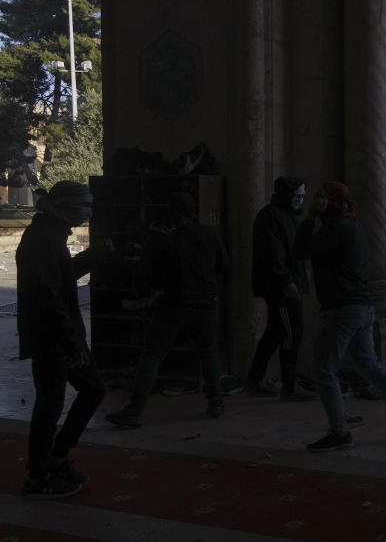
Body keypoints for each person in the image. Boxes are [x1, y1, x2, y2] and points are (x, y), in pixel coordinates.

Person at [294, 181, 386, 451]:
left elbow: (301, 251)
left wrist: (309, 218)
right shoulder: (351, 225)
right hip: (361, 308)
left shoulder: (335, 228)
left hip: (342, 309)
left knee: (323, 369)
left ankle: (340, 431)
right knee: (369, 364)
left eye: (319, 199)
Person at [17, 182, 110, 498]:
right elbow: (50, 297)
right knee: (53, 403)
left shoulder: (49, 236)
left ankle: (53, 459)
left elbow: (60, 276)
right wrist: (72, 346)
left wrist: (92, 257)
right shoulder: (42, 241)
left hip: (59, 336)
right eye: (84, 206)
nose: (88, 212)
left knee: (76, 394)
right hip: (53, 339)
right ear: (66, 207)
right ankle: (41, 472)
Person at [106, 192, 230, 427]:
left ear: (172, 214)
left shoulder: (163, 240)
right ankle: (215, 402)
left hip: (173, 306)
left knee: (152, 356)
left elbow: (144, 278)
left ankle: (136, 410)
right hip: (206, 304)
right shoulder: (210, 234)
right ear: (193, 212)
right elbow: (224, 266)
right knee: (209, 354)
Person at [245, 176, 314, 401]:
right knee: (291, 331)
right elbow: (274, 255)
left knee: (276, 331)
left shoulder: (287, 216)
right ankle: (289, 386)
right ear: (285, 195)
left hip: (287, 284)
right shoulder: (270, 217)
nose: (299, 201)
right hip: (281, 288)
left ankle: (255, 380)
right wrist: (286, 282)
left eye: (302, 197)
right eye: (296, 197)